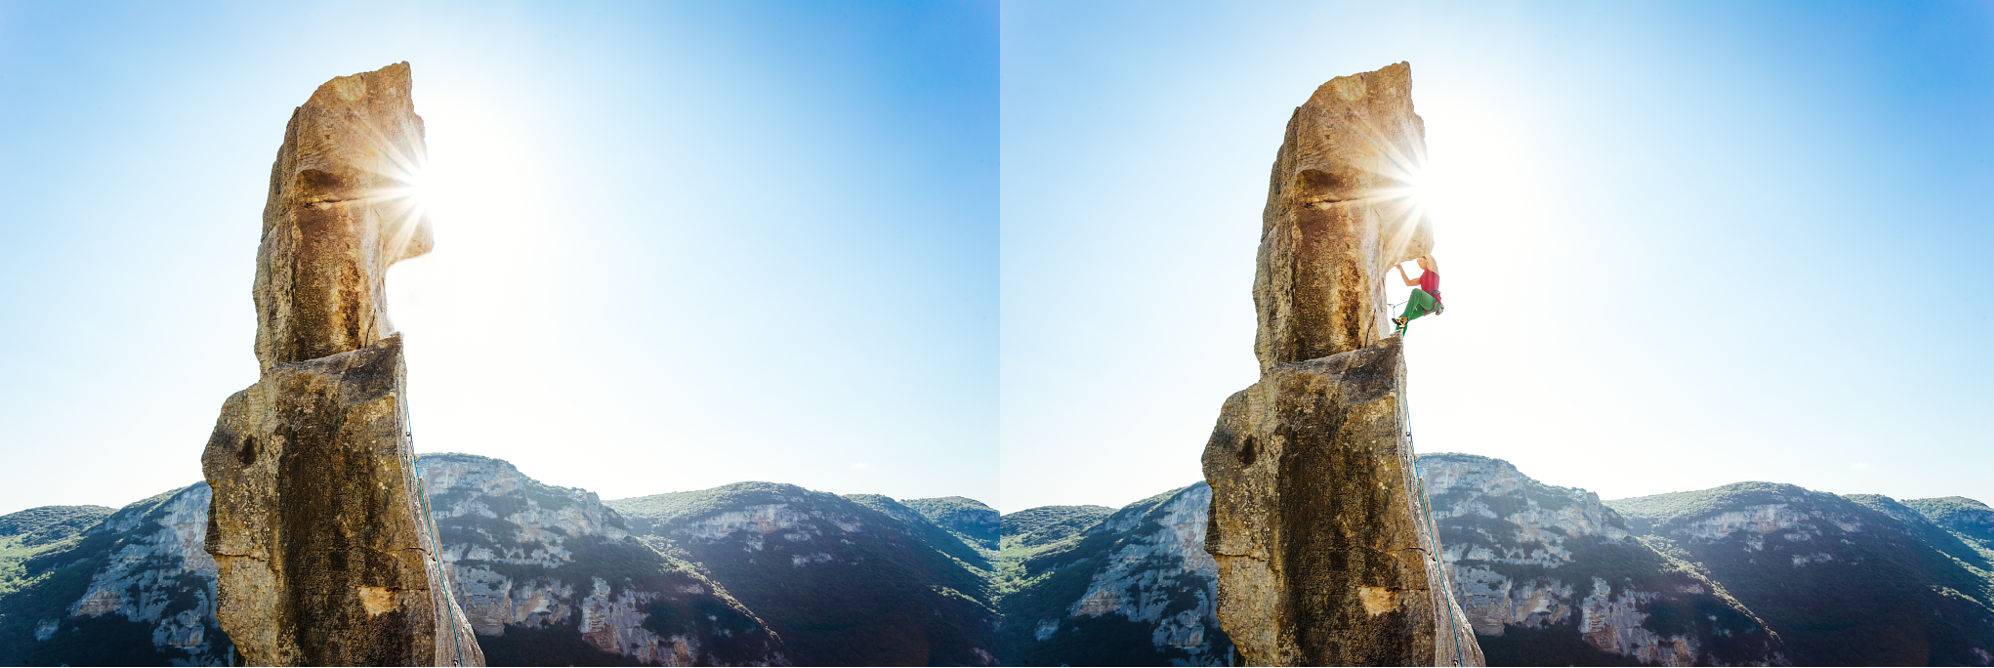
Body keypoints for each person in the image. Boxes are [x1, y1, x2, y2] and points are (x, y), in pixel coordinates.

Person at [1391, 255, 1443, 335]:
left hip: (1433, 302)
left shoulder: (1433, 268)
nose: (1418, 263)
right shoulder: (1421, 278)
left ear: (1426, 260)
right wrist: (1400, 269)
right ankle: (1397, 338)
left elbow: (1427, 252)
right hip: (1424, 308)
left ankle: (1404, 319)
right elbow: (1408, 283)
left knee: (1416, 292)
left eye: (1420, 260)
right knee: (1402, 318)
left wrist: (1421, 251)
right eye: (1417, 262)